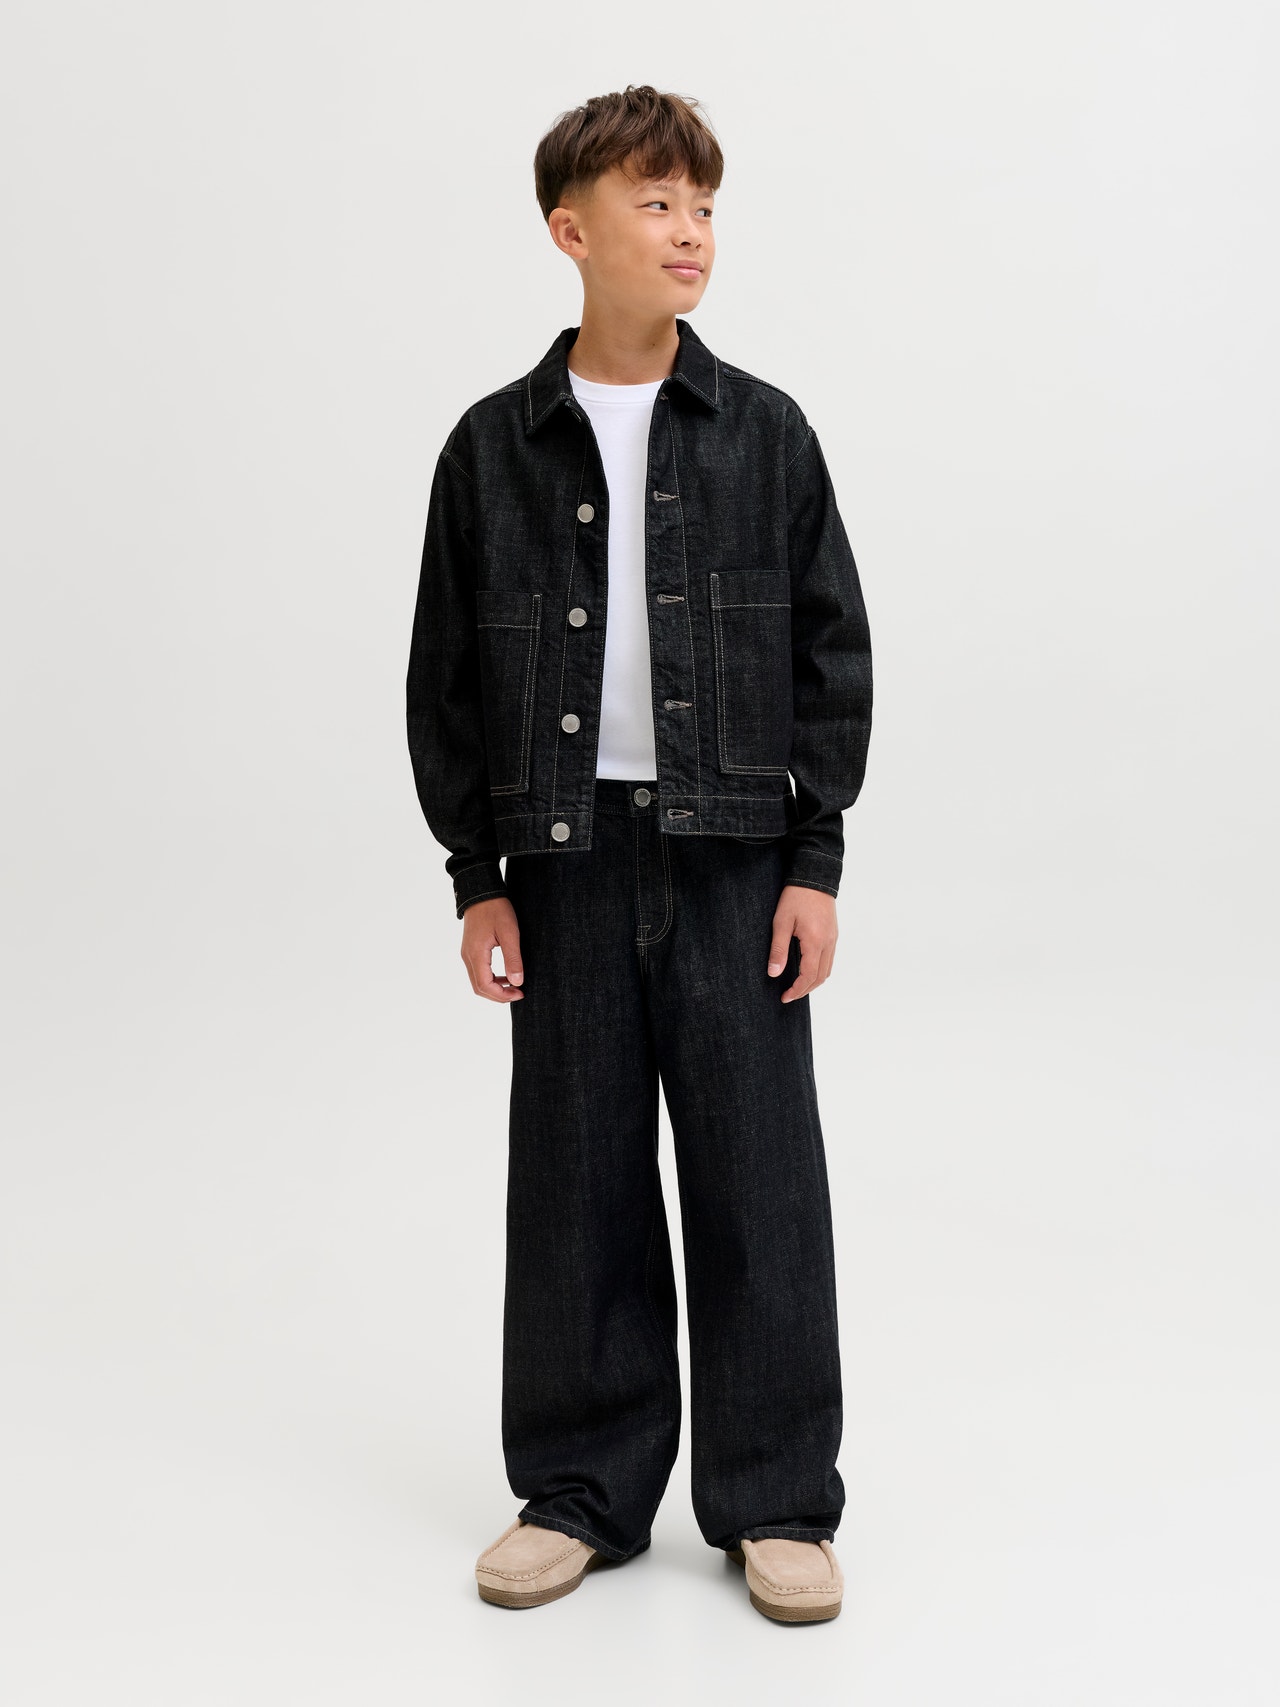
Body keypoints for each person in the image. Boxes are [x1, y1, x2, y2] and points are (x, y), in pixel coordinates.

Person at [406, 83, 873, 1623]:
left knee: (759, 1179)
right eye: (657, 203)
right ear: (572, 230)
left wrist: (814, 860)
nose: (690, 232)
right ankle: (581, 1490)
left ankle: (777, 1498)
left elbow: (831, 657)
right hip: (565, 862)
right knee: (578, 1184)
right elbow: (446, 680)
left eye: (705, 206)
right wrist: (478, 876)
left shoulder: (765, 434)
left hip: (736, 858)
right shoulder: (493, 448)